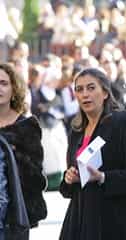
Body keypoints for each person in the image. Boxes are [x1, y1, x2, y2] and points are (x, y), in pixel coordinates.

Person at [59, 68, 126, 240]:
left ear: (105, 93)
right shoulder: (76, 130)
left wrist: (103, 177)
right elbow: (72, 184)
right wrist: (70, 177)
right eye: (79, 89)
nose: (85, 94)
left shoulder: (121, 122)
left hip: (115, 222)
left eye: (91, 88)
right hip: (81, 219)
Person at [0, 63, 47, 240]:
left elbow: (36, 176)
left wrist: (13, 156)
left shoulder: (27, 126)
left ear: (14, 88)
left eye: (4, 83)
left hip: (15, 217)